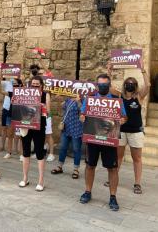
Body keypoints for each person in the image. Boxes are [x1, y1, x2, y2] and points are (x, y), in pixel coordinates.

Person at [79, 74, 127, 211]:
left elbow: (124, 117)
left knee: (112, 168)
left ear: (109, 85)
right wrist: (82, 117)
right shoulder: (90, 99)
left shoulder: (117, 101)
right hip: (93, 138)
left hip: (110, 139)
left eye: (105, 85)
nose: (103, 87)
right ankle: (87, 192)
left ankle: (113, 197)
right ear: (97, 85)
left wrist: (123, 120)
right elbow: (82, 114)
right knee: (90, 165)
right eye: (100, 85)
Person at [108, 66, 150, 194]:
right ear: (124, 84)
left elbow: (148, 85)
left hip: (135, 131)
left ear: (135, 85)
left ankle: (137, 183)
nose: (130, 85)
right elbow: (108, 88)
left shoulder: (138, 97)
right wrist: (109, 71)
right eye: (128, 83)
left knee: (136, 158)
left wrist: (143, 70)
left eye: (132, 83)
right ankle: (112, 179)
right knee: (118, 157)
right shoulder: (119, 95)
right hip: (120, 130)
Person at [18, 76, 49, 191]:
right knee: (25, 152)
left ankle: (41, 180)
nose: (35, 86)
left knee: (39, 152)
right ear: (30, 85)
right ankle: (25, 178)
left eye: (37, 84)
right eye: (33, 84)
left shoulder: (45, 95)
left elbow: (48, 111)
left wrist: (39, 106)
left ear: (41, 85)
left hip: (39, 126)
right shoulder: (24, 94)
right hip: (26, 125)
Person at [51, 95, 83, 179]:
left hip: (76, 128)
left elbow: (82, 111)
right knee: (63, 148)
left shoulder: (83, 100)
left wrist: (78, 101)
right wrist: (62, 99)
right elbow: (62, 107)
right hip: (66, 128)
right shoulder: (68, 100)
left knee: (76, 149)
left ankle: (76, 170)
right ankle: (59, 166)